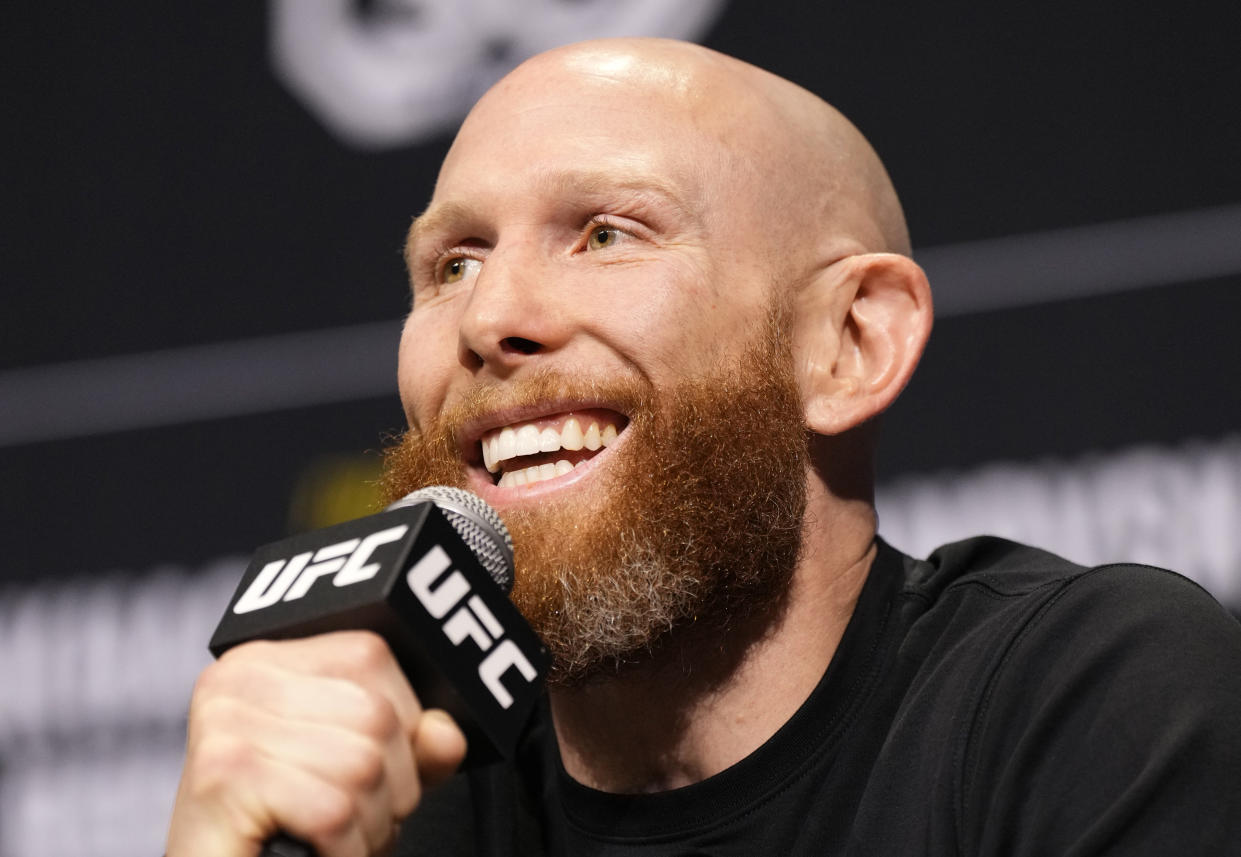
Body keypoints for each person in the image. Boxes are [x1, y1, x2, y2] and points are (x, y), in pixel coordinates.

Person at [166, 38, 1241, 857]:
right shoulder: (401, 804)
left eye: (604, 233)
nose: (491, 316)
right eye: (451, 263)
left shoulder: (1079, 702)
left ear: (848, 342)